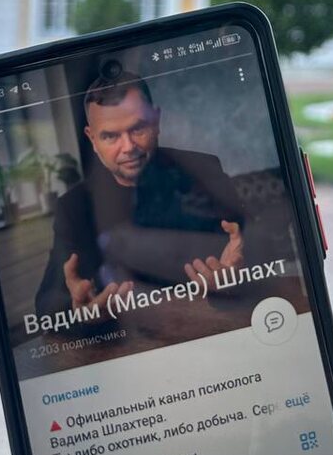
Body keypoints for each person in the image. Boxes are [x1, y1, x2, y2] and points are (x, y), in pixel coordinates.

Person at [35, 64, 244, 319]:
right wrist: (78, 310)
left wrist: (239, 270)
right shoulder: (74, 206)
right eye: (110, 136)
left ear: (156, 121)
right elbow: (48, 303)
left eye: (138, 128)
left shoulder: (203, 169)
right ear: (92, 140)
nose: (128, 147)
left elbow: (258, 247)